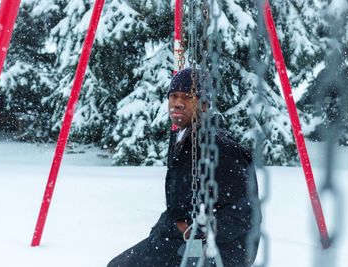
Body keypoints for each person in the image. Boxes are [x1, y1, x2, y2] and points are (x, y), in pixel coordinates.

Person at [107, 68, 261, 267]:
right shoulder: (182, 138)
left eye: (188, 97)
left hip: (223, 249)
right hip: (184, 236)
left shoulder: (222, 150)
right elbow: (177, 205)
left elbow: (244, 215)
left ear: (204, 104)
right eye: (173, 96)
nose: (177, 103)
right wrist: (161, 232)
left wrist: (191, 230)